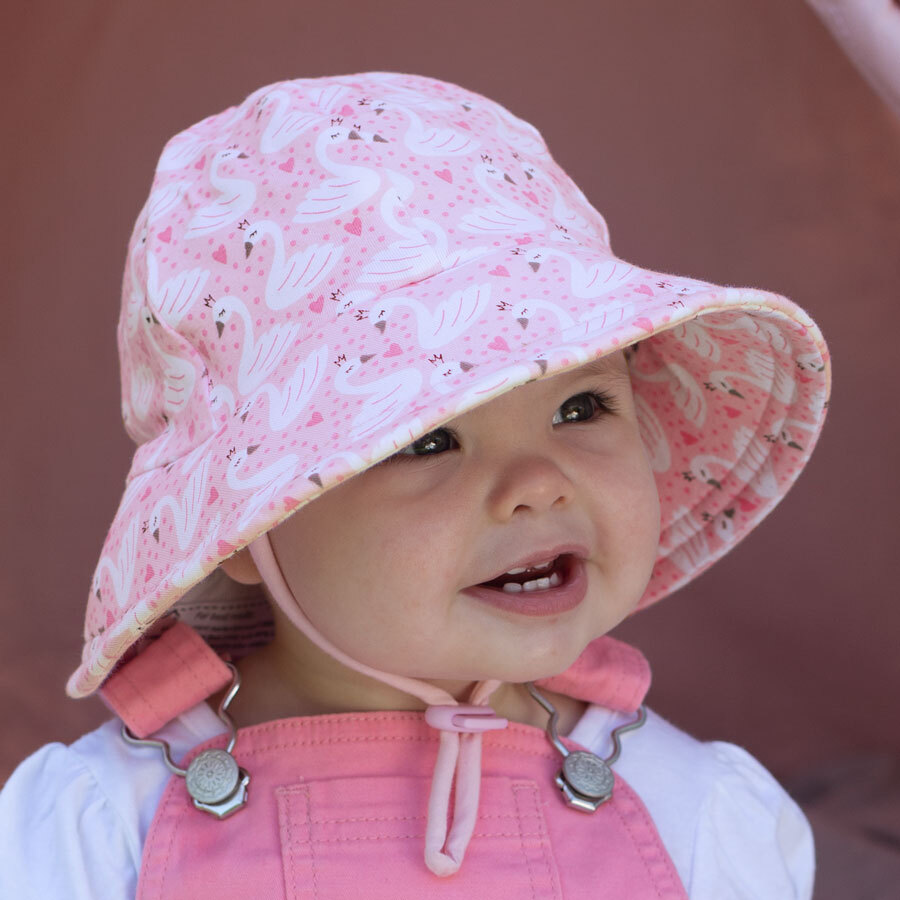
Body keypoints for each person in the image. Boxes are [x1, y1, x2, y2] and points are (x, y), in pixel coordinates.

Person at [0, 72, 831, 898]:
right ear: (246, 527)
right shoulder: (105, 829)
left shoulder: (698, 813)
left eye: (581, 405)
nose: (539, 484)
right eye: (429, 438)